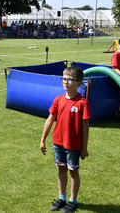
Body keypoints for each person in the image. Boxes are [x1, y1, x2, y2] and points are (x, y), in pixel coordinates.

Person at [40, 66, 90, 213]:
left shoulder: (82, 103)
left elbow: (85, 127)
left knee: (73, 171)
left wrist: (84, 148)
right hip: (58, 143)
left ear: (79, 83)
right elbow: (50, 120)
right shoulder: (58, 100)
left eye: (70, 79)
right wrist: (43, 140)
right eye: (64, 78)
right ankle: (62, 198)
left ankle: (73, 201)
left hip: (73, 145)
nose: (66, 82)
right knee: (61, 169)